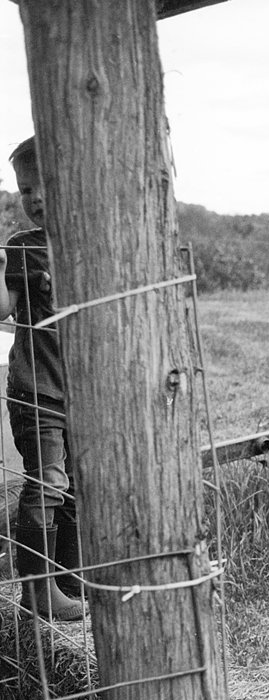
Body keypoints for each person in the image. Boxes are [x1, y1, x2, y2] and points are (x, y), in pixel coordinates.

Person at [0, 136, 84, 621]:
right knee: (46, 483)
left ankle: (70, 580)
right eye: (25, 190)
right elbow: (3, 310)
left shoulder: (88, 246)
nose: (33, 199)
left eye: (43, 186)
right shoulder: (21, 248)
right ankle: (38, 589)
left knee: (74, 485)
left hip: (81, 392)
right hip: (37, 390)